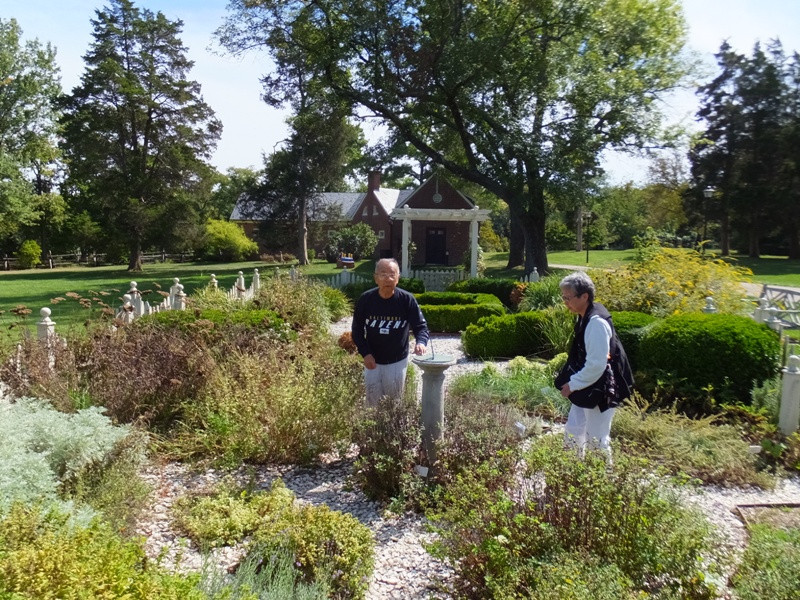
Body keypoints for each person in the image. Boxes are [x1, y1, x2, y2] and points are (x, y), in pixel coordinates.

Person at [555, 271, 624, 459]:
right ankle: (570, 471)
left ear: (585, 296)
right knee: (574, 428)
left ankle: (601, 483)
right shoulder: (583, 315)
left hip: (603, 388)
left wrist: (572, 384)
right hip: (589, 385)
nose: (565, 302)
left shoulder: (596, 323)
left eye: (568, 297)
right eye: (564, 297)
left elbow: (596, 365)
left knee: (597, 439)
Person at [352, 258, 429, 406]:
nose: (388, 278)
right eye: (383, 274)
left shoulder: (407, 300)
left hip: (397, 361)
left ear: (398, 278)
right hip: (372, 360)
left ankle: (392, 429)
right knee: (372, 404)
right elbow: (357, 330)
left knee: (394, 404)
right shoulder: (366, 300)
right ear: (376, 278)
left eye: (392, 274)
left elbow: (420, 326)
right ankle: (372, 430)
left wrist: (421, 342)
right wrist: (365, 353)